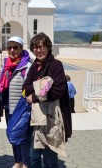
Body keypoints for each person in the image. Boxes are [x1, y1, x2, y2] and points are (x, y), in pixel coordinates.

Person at [23, 32, 72, 168]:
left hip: (51, 118)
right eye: (36, 47)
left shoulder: (56, 65)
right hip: (36, 119)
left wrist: (36, 96)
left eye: (42, 46)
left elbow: (58, 90)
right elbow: (26, 87)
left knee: (50, 158)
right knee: (33, 157)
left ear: (48, 47)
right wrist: (41, 88)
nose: (39, 50)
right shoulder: (34, 66)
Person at [0, 36, 32, 168]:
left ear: (21, 48)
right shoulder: (6, 65)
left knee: (22, 137)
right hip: (9, 107)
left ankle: (25, 163)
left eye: (15, 47)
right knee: (13, 136)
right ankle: (17, 161)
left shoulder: (27, 65)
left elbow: (30, 86)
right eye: (9, 47)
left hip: (22, 108)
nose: (12, 50)